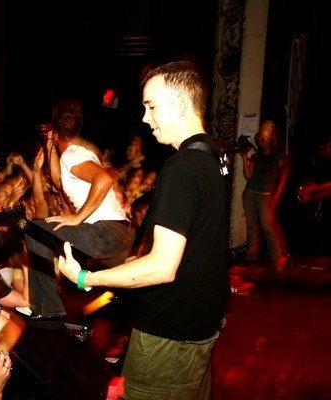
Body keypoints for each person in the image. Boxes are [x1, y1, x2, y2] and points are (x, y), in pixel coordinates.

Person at [58, 61, 230, 399]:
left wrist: (84, 278)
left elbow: (162, 267)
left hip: (170, 334)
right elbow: (200, 245)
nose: (145, 118)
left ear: (180, 104)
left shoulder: (181, 167)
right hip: (201, 325)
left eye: (151, 106)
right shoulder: (212, 156)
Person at [20, 98, 134, 324]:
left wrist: (78, 217)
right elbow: (58, 182)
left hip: (106, 232)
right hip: (115, 234)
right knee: (131, 285)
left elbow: (104, 179)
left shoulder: (72, 155)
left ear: (57, 134)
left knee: (34, 230)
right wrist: (50, 147)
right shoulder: (74, 154)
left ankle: (47, 307)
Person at [241, 119, 290, 270]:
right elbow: (248, 176)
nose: (261, 141)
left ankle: (278, 259)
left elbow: (285, 175)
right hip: (250, 193)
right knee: (251, 227)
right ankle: (251, 256)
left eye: (264, 138)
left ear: (271, 139)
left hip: (266, 195)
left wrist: (278, 194)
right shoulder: (256, 157)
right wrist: (244, 158)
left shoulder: (278, 157)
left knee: (268, 227)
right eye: (260, 138)